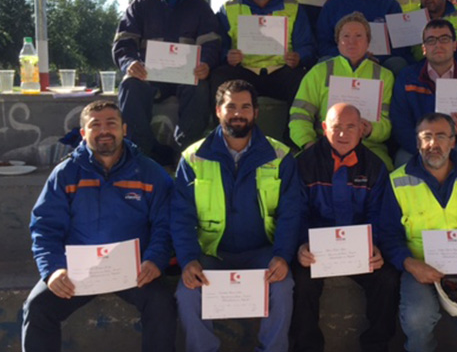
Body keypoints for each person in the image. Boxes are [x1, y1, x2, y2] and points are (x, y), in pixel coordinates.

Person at [22, 100, 176, 352]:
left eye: (111, 123)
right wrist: (53, 270)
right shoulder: (65, 173)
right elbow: (45, 227)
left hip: (135, 270)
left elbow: (165, 224)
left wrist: (154, 260)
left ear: (124, 129)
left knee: (162, 302)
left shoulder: (150, 172)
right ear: (84, 133)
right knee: (38, 306)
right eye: (95, 125)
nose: (104, 130)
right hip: (78, 270)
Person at [171, 80, 302, 352]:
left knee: (283, 287)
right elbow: (181, 216)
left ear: (256, 112)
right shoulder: (193, 157)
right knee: (187, 292)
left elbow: (291, 213)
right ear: (218, 110)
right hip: (212, 254)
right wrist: (188, 260)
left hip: (263, 252)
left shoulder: (279, 156)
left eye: (245, 107)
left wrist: (282, 255)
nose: (238, 113)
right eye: (231, 106)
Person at [379, 113, 457, 352]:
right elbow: (387, 233)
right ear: (417, 142)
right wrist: (409, 263)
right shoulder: (398, 181)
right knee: (417, 318)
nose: (433, 144)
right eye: (426, 137)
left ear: (453, 142)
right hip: (420, 267)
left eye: (441, 136)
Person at [291, 103, 400, 352]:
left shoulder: (374, 166)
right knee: (301, 282)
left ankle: (376, 345)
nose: (343, 134)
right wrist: (301, 246)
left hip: (358, 252)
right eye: (336, 127)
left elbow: (379, 214)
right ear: (323, 128)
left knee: (388, 279)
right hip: (316, 252)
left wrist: (375, 246)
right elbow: (296, 212)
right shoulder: (304, 164)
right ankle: (307, 347)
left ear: (362, 129)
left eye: (351, 127)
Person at [113, 0, 221, 165]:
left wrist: (206, 63)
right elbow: (124, 42)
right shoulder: (140, 6)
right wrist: (130, 63)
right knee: (129, 86)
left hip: (187, 76)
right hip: (149, 75)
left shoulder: (200, 8)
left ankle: (184, 153)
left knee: (200, 88)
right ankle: (144, 154)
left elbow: (212, 42)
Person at [290, 12, 394, 169]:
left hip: (368, 148)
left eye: (358, 36)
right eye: (346, 36)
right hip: (324, 145)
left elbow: (387, 124)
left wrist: (371, 130)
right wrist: (309, 143)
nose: (352, 41)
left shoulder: (384, 76)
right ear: (337, 41)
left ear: (368, 42)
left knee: (383, 170)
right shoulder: (319, 72)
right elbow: (299, 115)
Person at [210, 0, 315, 105]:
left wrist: (299, 57)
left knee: (302, 78)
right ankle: (225, 121)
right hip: (243, 71)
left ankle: (296, 122)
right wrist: (227, 56)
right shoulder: (229, 7)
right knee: (219, 76)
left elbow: (307, 45)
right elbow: (218, 45)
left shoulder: (292, 6)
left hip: (280, 71)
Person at [391, 19, 457, 170]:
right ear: (424, 48)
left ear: (455, 45)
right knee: (402, 167)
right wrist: (425, 148)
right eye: (431, 40)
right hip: (417, 146)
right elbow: (400, 124)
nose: (438, 45)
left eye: (444, 39)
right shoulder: (407, 77)